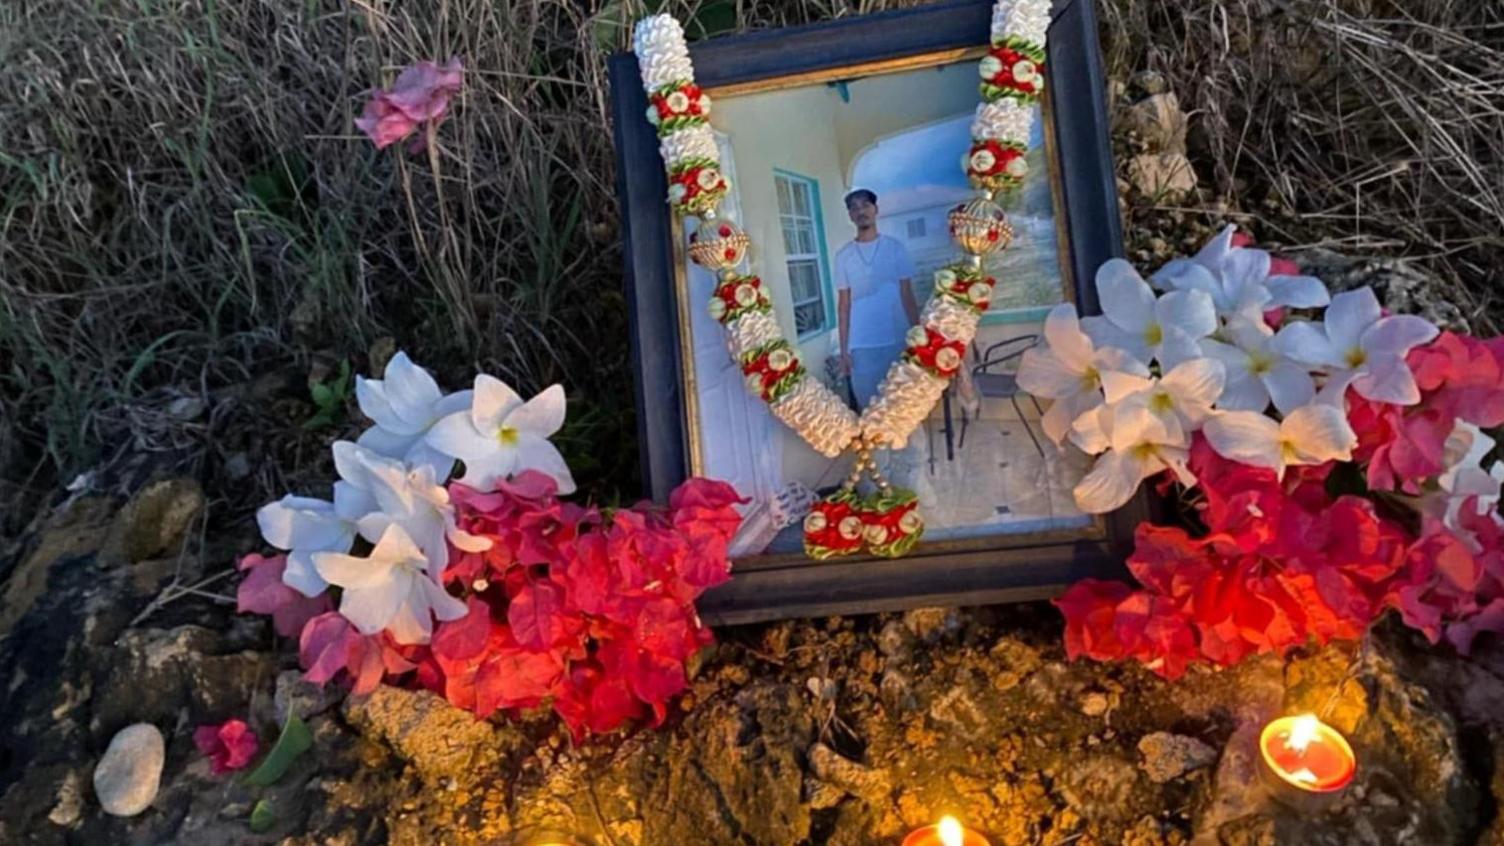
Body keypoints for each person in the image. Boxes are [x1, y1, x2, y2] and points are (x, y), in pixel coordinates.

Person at [834, 189, 920, 408]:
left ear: (875, 210)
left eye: (865, 205)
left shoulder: (895, 248)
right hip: (861, 346)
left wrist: (919, 339)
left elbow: (907, 295)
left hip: (896, 341)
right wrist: (844, 351)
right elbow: (844, 306)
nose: (860, 211)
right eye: (854, 207)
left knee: (904, 406)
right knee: (869, 408)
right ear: (850, 215)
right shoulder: (844, 256)